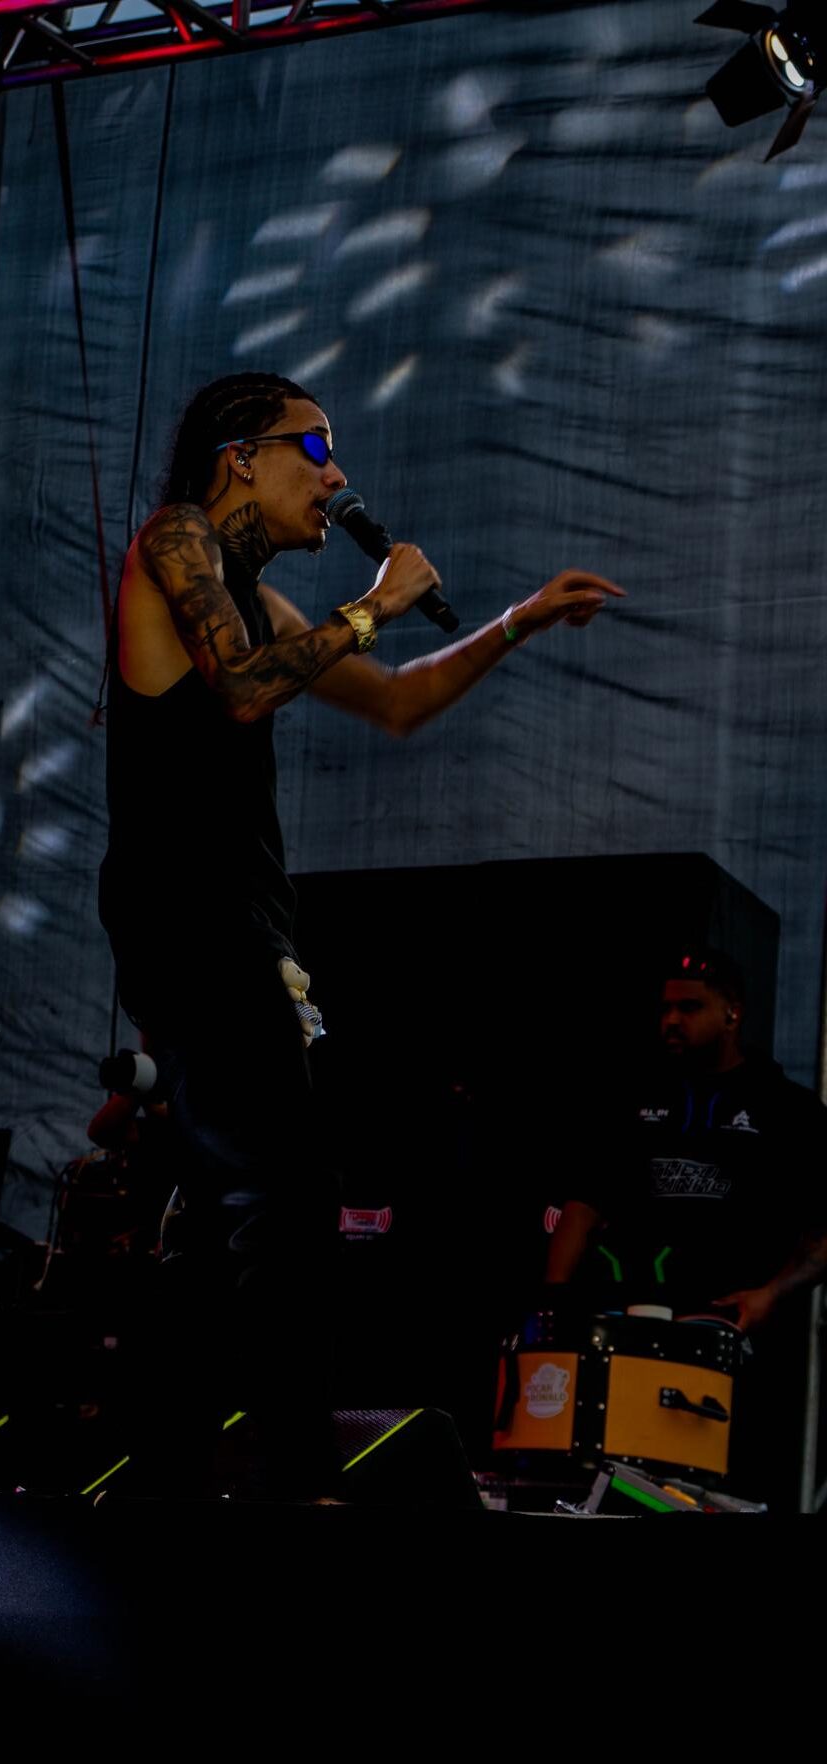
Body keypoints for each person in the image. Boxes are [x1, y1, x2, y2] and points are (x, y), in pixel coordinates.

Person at [98, 369, 624, 1496]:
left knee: (229, 1208)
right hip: (187, 912)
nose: (336, 475)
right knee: (289, 1193)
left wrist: (516, 622)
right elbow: (242, 691)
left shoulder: (260, 599)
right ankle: (296, 1474)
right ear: (241, 454)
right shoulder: (174, 540)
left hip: (244, 917)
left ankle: (159, 1474)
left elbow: (394, 701)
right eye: (315, 446)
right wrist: (374, 603)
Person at [544, 948, 827, 1504]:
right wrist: (552, 1303)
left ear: (732, 1013)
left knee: (719, 1496)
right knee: (619, 1490)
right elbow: (584, 1204)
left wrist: (772, 1294)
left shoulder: (789, 1111)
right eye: (665, 1008)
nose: (672, 1020)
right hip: (627, 1343)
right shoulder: (633, 1100)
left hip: (732, 1346)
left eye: (690, 1008)